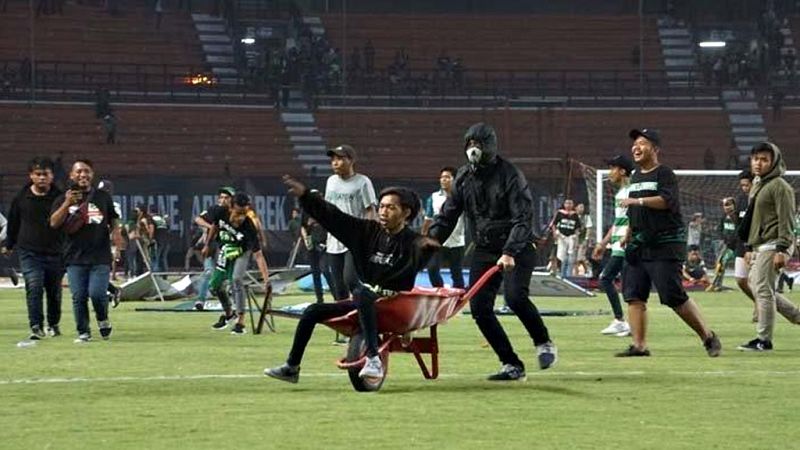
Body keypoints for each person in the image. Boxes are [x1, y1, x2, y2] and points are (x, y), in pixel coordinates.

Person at [265, 176, 438, 384]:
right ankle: (292, 367)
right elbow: (335, 217)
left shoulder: (414, 242)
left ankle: (373, 359)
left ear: (406, 212)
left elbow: (417, 257)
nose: (383, 212)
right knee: (313, 311)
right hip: (366, 301)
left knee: (361, 292)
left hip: (396, 305)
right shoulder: (367, 231)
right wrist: (307, 197)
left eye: (391, 208)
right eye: (381, 206)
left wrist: (425, 250)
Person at [429, 123, 557, 381]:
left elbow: (523, 217)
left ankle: (544, 342)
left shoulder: (510, 174)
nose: (473, 149)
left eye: (479, 144)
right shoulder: (463, 178)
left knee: (515, 298)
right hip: (485, 249)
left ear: (490, 146)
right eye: (470, 144)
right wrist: (428, 243)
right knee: (478, 308)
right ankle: (511, 364)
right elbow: (448, 216)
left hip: (518, 246)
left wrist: (510, 251)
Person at [616, 128, 721, 357]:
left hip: (664, 244)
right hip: (639, 243)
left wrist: (638, 200)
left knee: (673, 296)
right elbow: (635, 211)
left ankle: (708, 336)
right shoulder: (635, 176)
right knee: (634, 295)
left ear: (655, 149)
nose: (636, 147)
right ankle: (639, 346)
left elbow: (667, 201)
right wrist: (629, 232)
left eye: (642, 143)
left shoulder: (664, 173)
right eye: (634, 143)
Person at [737, 142, 800, 352]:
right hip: (762, 244)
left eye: (764, 159)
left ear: (774, 162)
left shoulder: (780, 186)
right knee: (759, 287)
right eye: (756, 158)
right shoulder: (758, 183)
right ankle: (797, 316)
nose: (758, 163)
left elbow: (787, 220)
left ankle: (764, 340)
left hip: (775, 243)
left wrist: (782, 249)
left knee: (762, 289)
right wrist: (749, 246)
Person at [50, 159, 120, 343]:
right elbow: (54, 223)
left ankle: (103, 319)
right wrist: (67, 203)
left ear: (92, 174)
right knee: (79, 296)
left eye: (86, 171)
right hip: (74, 256)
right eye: (79, 171)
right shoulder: (61, 198)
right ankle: (83, 331)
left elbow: (113, 220)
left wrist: (117, 241)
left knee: (97, 294)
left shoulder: (102, 197)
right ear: (72, 175)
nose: (83, 175)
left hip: (100, 255)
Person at [3, 157, 64, 340]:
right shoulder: (21, 197)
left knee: (54, 291)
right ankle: (36, 326)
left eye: (45, 174)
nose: (42, 178)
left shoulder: (60, 197)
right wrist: (9, 244)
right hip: (29, 251)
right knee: (34, 286)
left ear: (52, 176)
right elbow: (13, 221)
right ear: (31, 175)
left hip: (55, 251)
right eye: (38, 174)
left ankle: (53, 324)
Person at [201, 193, 271, 335]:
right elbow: (214, 226)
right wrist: (207, 244)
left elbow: (258, 255)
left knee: (236, 279)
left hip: (241, 252)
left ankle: (240, 321)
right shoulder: (220, 211)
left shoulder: (248, 225)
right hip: (225, 249)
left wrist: (266, 279)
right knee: (214, 287)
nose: (242, 216)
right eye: (239, 212)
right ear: (231, 207)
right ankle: (228, 313)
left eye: (245, 212)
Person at [324, 145, 377, 302]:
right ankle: (346, 323)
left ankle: (367, 306)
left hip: (354, 239)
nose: (335, 162)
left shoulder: (362, 182)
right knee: (339, 287)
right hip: (333, 240)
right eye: (333, 159)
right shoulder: (331, 182)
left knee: (350, 280)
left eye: (340, 159)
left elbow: (370, 209)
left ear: (351, 160)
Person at [592, 155, 634, 336]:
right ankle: (621, 321)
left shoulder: (632, 192)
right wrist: (603, 242)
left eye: (613, 168)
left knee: (625, 284)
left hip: (627, 245)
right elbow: (618, 221)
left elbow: (634, 219)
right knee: (606, 278)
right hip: (618, 245)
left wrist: (628, 237)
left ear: (622, 171)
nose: (610, 173)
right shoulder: (621, 193)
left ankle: (626, 323)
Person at [421, 166, 465, 289]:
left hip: (456, 242)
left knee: (457, 274)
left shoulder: (462, 197)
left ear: (454, 180)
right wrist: (424, 237)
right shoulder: (433, 197)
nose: (443, 180)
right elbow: (428, 219)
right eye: (442, 177)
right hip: (437, 240)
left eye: (447, 177)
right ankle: (440, 292)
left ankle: (459, 301)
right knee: (432, 269)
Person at [193, 186, 234, 310]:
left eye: (226, 197)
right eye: (221, 197)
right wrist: (210, 227)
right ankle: (200, 300)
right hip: (212, 245)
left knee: (231, 275)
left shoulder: (236, 212)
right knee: (208, 272)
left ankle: (232, 301)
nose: (223, 200)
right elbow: (198, 219)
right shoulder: (214, 209)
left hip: (228, 247)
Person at [300, 214, 333, 303]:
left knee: (325, 270)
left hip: (323, 244)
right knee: (315, 273)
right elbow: (303, 226)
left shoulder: (322, 207)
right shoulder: (306, 210)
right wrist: (306, 239)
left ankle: (336, 296)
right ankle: (319, 300)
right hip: (312, 245)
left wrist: (327, 242)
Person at [552, 199, 581, 278]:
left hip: (571, 236)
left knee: (571, 255)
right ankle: (561, 273)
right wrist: (555, 233)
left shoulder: (575, 215)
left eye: (570, 203)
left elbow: (577, 228)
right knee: (561, 255)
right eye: (567, 203)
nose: (568, 205)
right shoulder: (559, 213)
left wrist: (577, 239)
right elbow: (553, 224)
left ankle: (569, 274)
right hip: (562, 236)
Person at [574, 203, 593, 276]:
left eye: (583, 207)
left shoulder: (586, 217)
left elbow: (588, 228)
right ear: (576, 208)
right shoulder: (573, 216)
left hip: (582, 240)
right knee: (574, 259)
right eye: (580, 207)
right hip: (573, 240)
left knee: (581, 257)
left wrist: (586, 239)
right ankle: (575, 273)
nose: (582, 209)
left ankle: (589, 269)